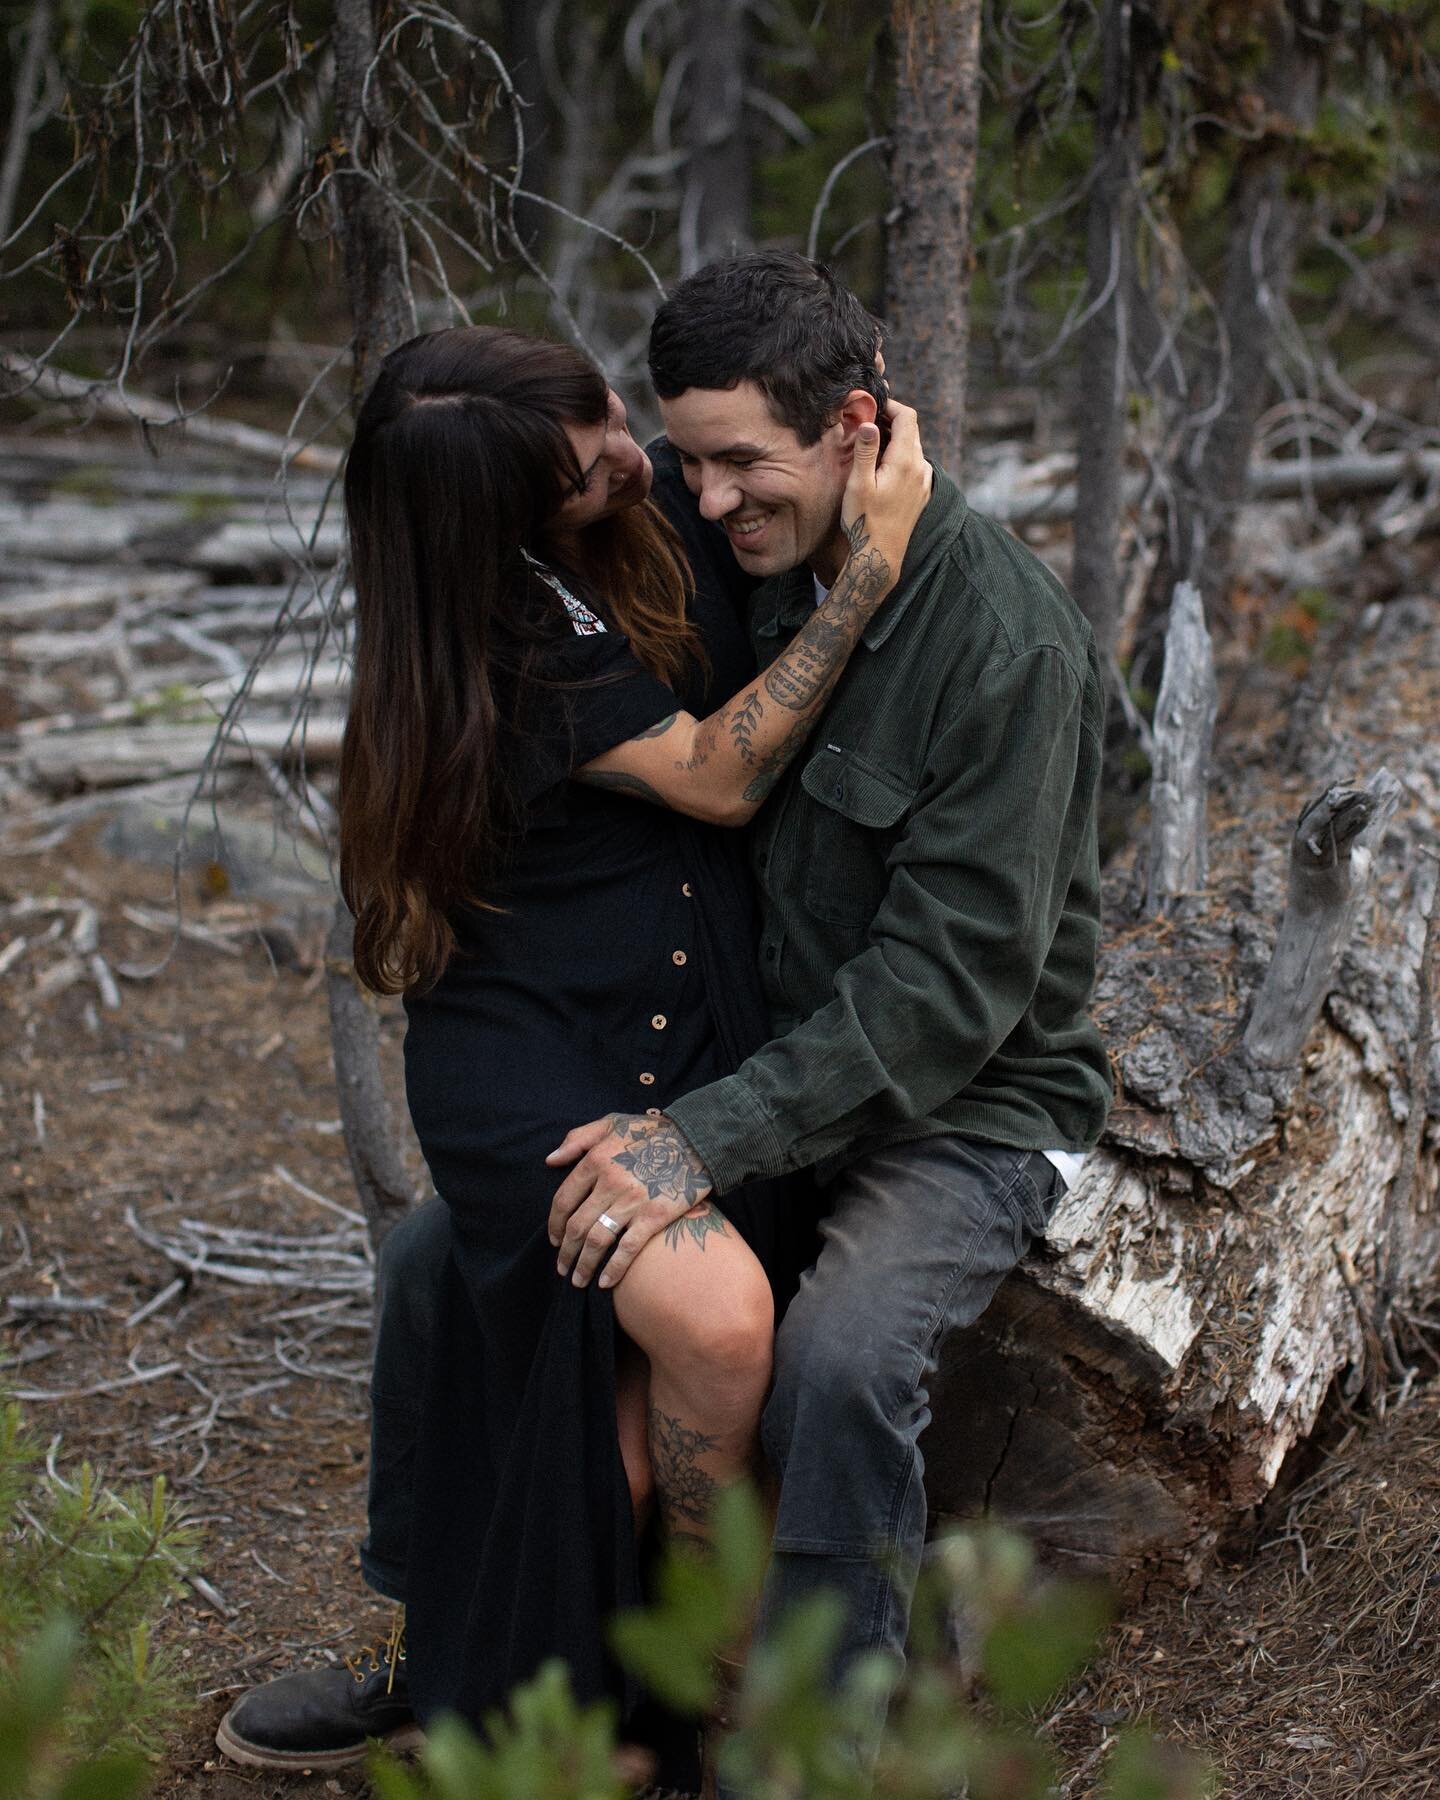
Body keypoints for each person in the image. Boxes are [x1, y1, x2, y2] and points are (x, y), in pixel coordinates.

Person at [215, 320, 929, 1785]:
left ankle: (558, 1693)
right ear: (499, 524)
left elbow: (761, 440)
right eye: (584, 465)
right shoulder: (504, 621)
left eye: (605, 417)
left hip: (673, 1024)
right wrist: (871, 573)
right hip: (529, 1052)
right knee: (712, 1318)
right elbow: (722, 781)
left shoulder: (644, 493)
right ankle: (701, 1668)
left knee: (579, 1392)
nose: (630, 459)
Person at [546, 253, 1113, 1771]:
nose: (710, 498)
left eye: (744, 462)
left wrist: (707, 1138)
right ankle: (501, 1672)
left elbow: (950, 995)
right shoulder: (733, 550)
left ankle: (820, 1741)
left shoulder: (1004, 642)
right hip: (766, 1066)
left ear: (856, 427)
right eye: (687, 458)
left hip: (960, 1107)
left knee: (845, 1356)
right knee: (495, 1260)